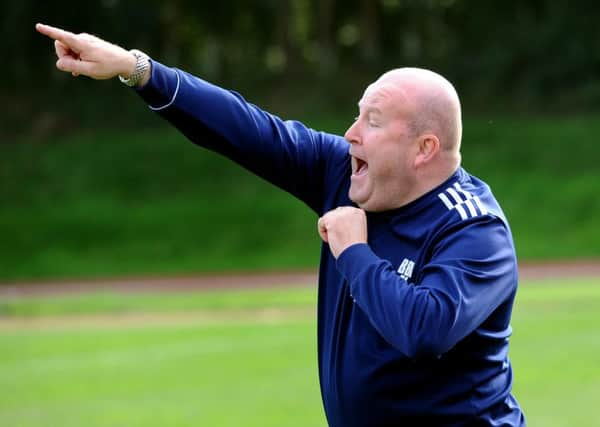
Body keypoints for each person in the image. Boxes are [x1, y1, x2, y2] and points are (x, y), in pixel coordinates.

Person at [35, 23, 526, 426]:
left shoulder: (475, 230)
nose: (351, 134)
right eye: (357, 116)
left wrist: (355, 253)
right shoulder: (345, 172)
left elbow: (425, 329)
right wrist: (138, 70)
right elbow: (249, 129)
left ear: (425, 149)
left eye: (372, 121)